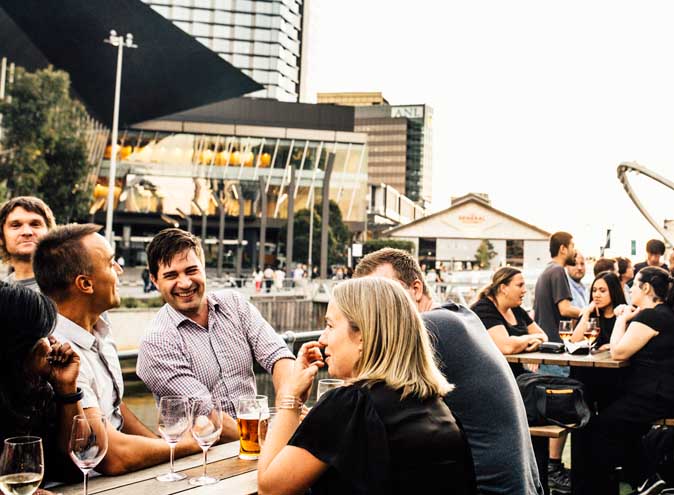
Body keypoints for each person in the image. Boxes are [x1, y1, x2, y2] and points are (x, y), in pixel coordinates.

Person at [257, 277, 477, 495]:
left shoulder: (350, 405)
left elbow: (271, 489)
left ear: (362, 335)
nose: (322, 339)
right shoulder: (434, 405)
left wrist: (290, 398)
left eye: (330, 326)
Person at [354, 248, 543, 495]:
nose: (377, 308)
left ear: (416, 289)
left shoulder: (430, 327)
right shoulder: (459, 316)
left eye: (386, 294)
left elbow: (363, 393)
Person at [33, 224, 200, 475]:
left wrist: (164, 445)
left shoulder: (99, 328)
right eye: (111, 263)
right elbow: (112, 456)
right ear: (85, 284)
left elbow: (115, 408)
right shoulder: (57, 352)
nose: (119, 269)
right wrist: (189, 444)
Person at [136, 228, 295, 439]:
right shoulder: (157, 342)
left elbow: (278, 355)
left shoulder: (234, 304)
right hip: (203, 458)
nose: (184, 283)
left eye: (191, 270)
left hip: (258, 442)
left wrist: (287, 406)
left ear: (204, 269)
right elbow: (208, 413)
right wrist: (270, 439)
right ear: (154, 281)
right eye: (171, 275)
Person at [579, 267, 674, 494]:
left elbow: (618, 352)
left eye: (633, 285)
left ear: (646, 288)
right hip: (659, 392)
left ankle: (637, 479)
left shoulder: (650, 316)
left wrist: (622, 318)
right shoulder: (665, 314)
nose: (629, 289)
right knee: (621, 423)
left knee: (602, 426)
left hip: (654, 395)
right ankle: (644, 478)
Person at [0, 282, 82, 484]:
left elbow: (73, 469)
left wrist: (67, 389)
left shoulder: (35, 391)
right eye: (43, 334)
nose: (52, 342)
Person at [533, 231, 582, 493]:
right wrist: (589, 311)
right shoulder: (558, 272)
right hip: (556, 351)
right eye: (572, 245)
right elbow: (565, 309)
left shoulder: (546, 272)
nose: (575, 249)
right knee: (560, 411)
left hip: (547, 349)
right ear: (563, 249)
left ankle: (552, 467)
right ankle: (554, 468)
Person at [471, 267, 548, 377]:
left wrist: (536, 344)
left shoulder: (516, 309)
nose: (524, 290)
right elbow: (506, 347)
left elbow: (543, 336)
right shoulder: (484, 308)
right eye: (520, 285)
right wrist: (529, 339)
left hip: (514, 375)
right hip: (491, 377)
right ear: (503, 288)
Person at [0, 196, 56, 290]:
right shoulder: (3, 291)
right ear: (1, 238)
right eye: (16, 225)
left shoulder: (68, 286)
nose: (27, 232)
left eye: (35, 224)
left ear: (49, 233)